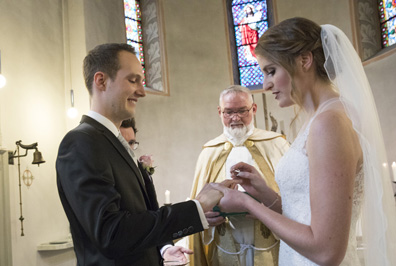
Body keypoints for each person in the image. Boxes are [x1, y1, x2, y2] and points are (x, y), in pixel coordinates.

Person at [212, 17, 396, 266]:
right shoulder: (321, 118)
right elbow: (304, 217)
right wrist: (264, 194)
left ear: (304, 60)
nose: (266, 85)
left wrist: (247, 203)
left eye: (271, 71)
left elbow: (326, 251)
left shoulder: (329, 122)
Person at [56, 43, 231, 266]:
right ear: (101, 81)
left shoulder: (113, 143)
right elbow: (111, 233)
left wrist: (163, 248)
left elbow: (141, 216)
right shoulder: (81, 142)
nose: (142, 91)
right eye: (133, 80)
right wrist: (196, 206)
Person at [188, 85, 289, 266]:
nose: (235, 118)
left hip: (269, 239)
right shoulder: (209, 152)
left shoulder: (276, 145)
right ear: (220, 112)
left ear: (254, 109)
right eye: (228, 112)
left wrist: (267, 210)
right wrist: (205, 216)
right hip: (225, 241)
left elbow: (295, 201)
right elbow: (198, 202)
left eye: (242, 111)